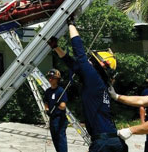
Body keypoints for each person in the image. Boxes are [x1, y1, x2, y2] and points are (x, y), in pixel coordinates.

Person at [47, 19, 128, 152]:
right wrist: (56, 47)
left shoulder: (94, 79)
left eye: (92, 60)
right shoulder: (98, 83)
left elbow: (79, 53)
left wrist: (71, 23)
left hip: (103, 143)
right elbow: (73, 64)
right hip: (114, 141)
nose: (89, 62)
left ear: (98, 65)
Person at [43, 69, 68, 152]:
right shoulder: (48, 91)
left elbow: (63, 106)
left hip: (60, 119)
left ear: (57, 79)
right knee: (55, 140)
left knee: (61, 140)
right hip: (52, 119)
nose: (50, 79)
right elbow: (46, 102)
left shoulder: (61, 91)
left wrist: (58, 105)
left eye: (52, 78)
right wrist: (47, 110)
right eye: (49, 77)